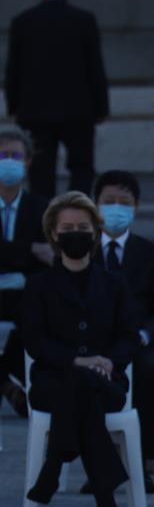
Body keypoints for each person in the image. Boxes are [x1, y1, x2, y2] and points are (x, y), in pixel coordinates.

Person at [22, 191, 138, 507]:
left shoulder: (115, 284)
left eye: (83, 226)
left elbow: (129, 336)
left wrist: (107, 361)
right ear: (54, 235)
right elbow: (34, 341)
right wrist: (79, 362)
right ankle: (106, 503)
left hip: (107, 381)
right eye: (68, 227)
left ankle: (54, 465)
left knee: (84, 388)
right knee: (80, 386)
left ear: (95, 232)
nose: (76, 233)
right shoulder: (38, 285)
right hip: (51, 383)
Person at [95, 170, 154, 493]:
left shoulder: (152, 254)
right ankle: (100, 461)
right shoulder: (82, 249)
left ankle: (143, 460)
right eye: (108, 202)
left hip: (139, 341)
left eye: (123, 202)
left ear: (136, 206)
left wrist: (143, 335)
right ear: (95, 205)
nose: (116, 208)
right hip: (96, 344)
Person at [4, 0, 108, 198]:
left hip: (36, 111)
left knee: (41, 171)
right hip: (79, 111)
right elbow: (95, 67)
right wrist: (101, 107)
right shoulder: (84, 20)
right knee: (81, 167)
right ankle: (76, 211)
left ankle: (45, 220)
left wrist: (13, 106)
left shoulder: (23, 21)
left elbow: (13, 69)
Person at [0, 128, 52, 415]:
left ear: (28, 161)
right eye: (3, 155)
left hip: (24, 293)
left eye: (15, 155)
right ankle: (6, 386)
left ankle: (5, 384)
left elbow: (47, 257)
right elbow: (37, 253)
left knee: (35, 317)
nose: (9, 161)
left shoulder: (41, 208)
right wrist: (29, 249)